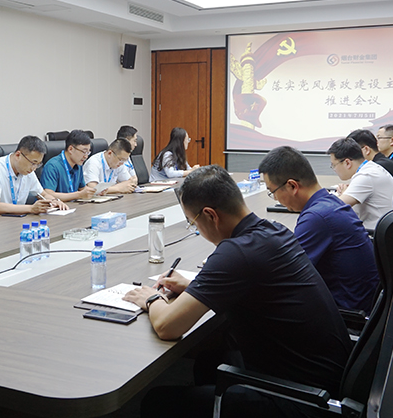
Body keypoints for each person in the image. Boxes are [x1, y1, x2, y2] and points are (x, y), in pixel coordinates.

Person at [124, 165, 351, 417]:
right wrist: (193, 287)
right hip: (325, 380)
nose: (196, 230)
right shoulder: (272, 230)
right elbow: (254, 286)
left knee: (156, 402)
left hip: (301, 400)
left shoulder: (236, 252)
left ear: (210, 215)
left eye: (193, 223)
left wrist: (151, 298)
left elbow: (167, 326)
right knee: (208, 363)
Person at [259, 146, 379, 312]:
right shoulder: (329, 203)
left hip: (347, 313)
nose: (275, 198)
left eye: (273, 192)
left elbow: (286, 277)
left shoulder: (317, 217)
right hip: (364, 302)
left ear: (292, 186)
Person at [0, 135, 69, 219]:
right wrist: (31, 208)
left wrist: (55, 201)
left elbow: (43, 194)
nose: (34, 168)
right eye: (33, 163)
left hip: (11, 221)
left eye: (38, 164)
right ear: (18, 155)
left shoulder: (28, 171)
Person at [328, 138, 393, 230]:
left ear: (347, 163)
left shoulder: (366, 176)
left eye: (334, 165)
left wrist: (343, 194)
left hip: (376, 233)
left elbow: (336, 207)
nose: (334, 169)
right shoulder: (371, 168)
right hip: (385, 228)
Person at [40, 130, 96, 202]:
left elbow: (82, 189)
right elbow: (48, 194)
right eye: (84, 152)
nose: (86, 156)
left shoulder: (78, 164)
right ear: (70, 149)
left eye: (88, 152)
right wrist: (78, 195)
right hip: (57, 207)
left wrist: (95, 191)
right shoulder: (52, 166)